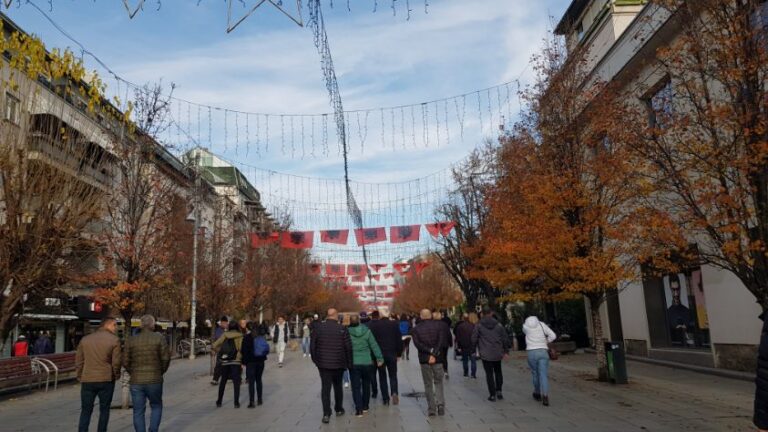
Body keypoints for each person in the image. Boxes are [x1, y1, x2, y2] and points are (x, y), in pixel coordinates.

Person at [124, 315, 171, 432]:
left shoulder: (131, 340)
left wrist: (132, 372)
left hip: (136, 381)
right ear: (152, 325)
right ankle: (153, 430)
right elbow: (165, 358)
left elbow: (125, 361)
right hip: (154, 380)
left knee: (138, 410)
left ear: (141, 325)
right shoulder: (159, 338)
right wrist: (160, 371)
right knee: (156, 406)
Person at [76, 318, 121, 432]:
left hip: (88, 379)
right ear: (109, 325)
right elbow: (116, 362)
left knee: (86, 410)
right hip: (106, 379)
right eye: (115, 325)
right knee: (104, 409)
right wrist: (116, 375)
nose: (116, 328)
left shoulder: (85, 340)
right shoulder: (114, 340)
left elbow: (79, 361)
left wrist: (80, 375)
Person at [310, 308, 353, 424]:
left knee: (325, 389)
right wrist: (349, 363)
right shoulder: (342, 329)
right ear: (335, 315)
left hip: (323, 364)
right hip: (339, 363)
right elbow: (348, 348)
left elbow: (312, 346)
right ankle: (338, 409)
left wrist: (316, 361)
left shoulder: (318, 328)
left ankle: (326, 413)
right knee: (338, 387)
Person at [411, 308, 448, 417]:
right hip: (438, 358)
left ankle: (432, 409)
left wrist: (429, 352)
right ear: (430, 316)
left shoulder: (416, 329)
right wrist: (434, 353)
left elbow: (418, 344)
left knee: (428, 384)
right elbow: (441, 341)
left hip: (424, 359)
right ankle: (440, 405)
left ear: (421, 316)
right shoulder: (439, 326)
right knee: (438, 382)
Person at [472, 306, 511, 402]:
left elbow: (474, 339)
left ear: (482, 314)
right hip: (497, 352)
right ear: (491, 313)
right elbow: (505, 338)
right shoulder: (498, 325)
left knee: (489, 374)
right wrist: (506, 351)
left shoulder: (479, 325)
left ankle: (492, 394)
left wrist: (474, 349)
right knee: (498, 371)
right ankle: (499, 391)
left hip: (485, 353)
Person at [348, 314, 383, 417]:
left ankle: (358, 409)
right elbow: (374, 345)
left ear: (350, 321)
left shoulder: (347, 332)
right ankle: (365, 406)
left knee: (355, 387)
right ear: (359, 321)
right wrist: (379, 358)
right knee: (366, 384)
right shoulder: (367, 331)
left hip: (354, 362)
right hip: (367, 362)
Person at [368, 309, 403, 405]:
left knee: (382, 376)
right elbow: (399, 340)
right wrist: (399, 354)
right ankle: (394, 392)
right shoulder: (394, 324)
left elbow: (372, 341)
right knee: (393, 375)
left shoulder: (375, 325)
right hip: (392, 354)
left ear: (380, 316)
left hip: (380, 355)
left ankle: (385, 398)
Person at [522, 315, 556, 407]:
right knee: (543, 375)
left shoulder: (525, 327)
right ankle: (545, 396)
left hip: (531, 352)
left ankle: (537, 393)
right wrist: (546, 341)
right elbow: (553, 336)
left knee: (535, 373)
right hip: (543, 352)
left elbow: (524, 331)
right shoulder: (542, 325)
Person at [213, 321, 244, 408]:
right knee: (236, 382)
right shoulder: (240, 335)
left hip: (225, 361)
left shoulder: (225, 334)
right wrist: (240, 358)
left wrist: (219, 351)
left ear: (229, 327)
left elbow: (215, 344)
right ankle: (236, 403)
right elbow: (241, 348)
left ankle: (219, 401)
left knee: (223, 381)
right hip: (236, 361)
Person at [241, 322, 269, 408]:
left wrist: (243, 362)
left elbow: (244, 351)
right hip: (260, 361)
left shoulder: (247, 337)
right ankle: (260, 399)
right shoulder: (261, 336)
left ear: (248, 329)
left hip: (250, 362)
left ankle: (252, 402)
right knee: (259, 380)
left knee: (251, 382)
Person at [454, 312, 478, 379]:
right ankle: (473, 374)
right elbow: (476, 336)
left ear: (463, 318)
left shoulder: (460, 326)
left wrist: (458, 346)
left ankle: (466, 373)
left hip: (464, 346)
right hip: (472, 346)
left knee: (465, 360)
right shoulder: (473, 326)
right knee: (473, 360)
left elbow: (458, 337)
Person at [433, 310, 452, 379]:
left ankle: (436, 372)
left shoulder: (432, 324)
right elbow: (449, 334)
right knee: (444, 358)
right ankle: (445, 371)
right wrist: (450, 343)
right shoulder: (445, 325)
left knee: (435, 357)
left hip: (435, 344)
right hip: (444, 344)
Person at [211, 316, 229, 386]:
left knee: (230, 364)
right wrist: (214, 349)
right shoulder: (218, 330)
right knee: (218, 365)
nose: (225, 324)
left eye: (226, 323)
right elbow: (218, 340)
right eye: (224, 323)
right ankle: (215, 379)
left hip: (228, 350)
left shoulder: (228, 329)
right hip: (221, 350)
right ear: (221, 323)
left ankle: (234, 378)